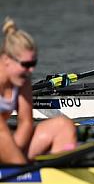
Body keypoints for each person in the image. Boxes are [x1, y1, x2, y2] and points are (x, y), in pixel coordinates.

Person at [0, 18, 76, 164]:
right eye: (26, 64)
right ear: (6, 60)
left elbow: (26, 123)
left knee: (63, 125)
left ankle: (56, 171)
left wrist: (15, 151)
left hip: (6, 142)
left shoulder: (22, 80)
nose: (31, 70)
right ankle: (20, 168)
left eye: (33, 63)